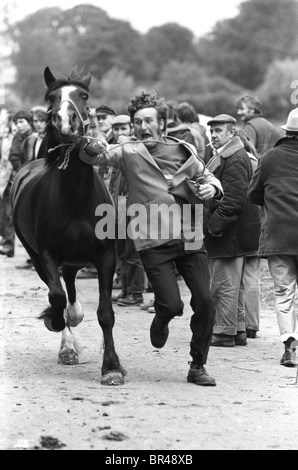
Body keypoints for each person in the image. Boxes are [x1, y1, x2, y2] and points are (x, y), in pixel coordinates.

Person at [79, 89, 224, 386]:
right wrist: (88, 139)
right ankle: (162, 315)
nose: (143, 128)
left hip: (189, 236)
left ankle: (198, 365)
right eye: (138, 123)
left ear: (163, 123)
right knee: (172, 304)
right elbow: (95, 157)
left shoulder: (183, 149)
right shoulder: (129, 152)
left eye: (149, 121)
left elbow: (207, 175)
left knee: (206, 302)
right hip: (152, 240)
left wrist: (214, 188)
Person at [204, 114, 261, 347]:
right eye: (212, 132)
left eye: (218, 131)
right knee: (233, 286)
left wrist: (213, 227)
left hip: (230, 233)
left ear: (231, 132)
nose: (214, 135)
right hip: (234, 232)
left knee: (223, 285)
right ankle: (237, 331)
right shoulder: (232, 154)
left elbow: (234, 201)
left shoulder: (235, 157)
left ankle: (224, 332)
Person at [248, 108, 298, 367]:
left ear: (287, 132)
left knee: (283, 293)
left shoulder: (269, 158)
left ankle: (290, 345)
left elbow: (253, 195)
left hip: (278, 234)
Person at [108, 114, 146, 306]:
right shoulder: (113, 150)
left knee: (134, 252)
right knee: (121, 251)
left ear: (130, 129)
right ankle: (125, 289)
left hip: (135, 205)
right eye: (116, 129)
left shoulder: (135, 149)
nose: (119, 132)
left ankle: (136, 292)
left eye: (123, 128)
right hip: (117, 205)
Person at [0, 110, 33, 258]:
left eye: (21, 122)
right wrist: (22, 173)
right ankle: (10, 245)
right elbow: (13, 156)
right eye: (16, 122)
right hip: (16, 178)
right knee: (9, 213)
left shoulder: (36, 137)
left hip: (34, 179)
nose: (18, 125)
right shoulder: (17, 137)